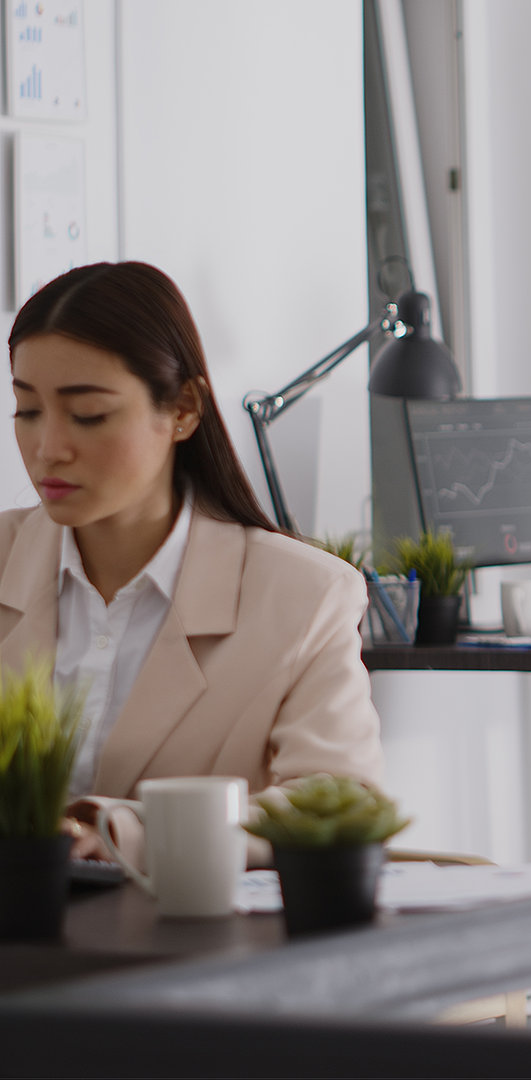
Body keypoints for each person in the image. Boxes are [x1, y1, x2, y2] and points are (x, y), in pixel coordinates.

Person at [1, 261, 382, 866]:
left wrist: (122, 831)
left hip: (190, 943)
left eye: (88, 414)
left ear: (183, 409)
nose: (48, 448)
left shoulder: (303, 595)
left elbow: (336, 798)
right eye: (27, 411)